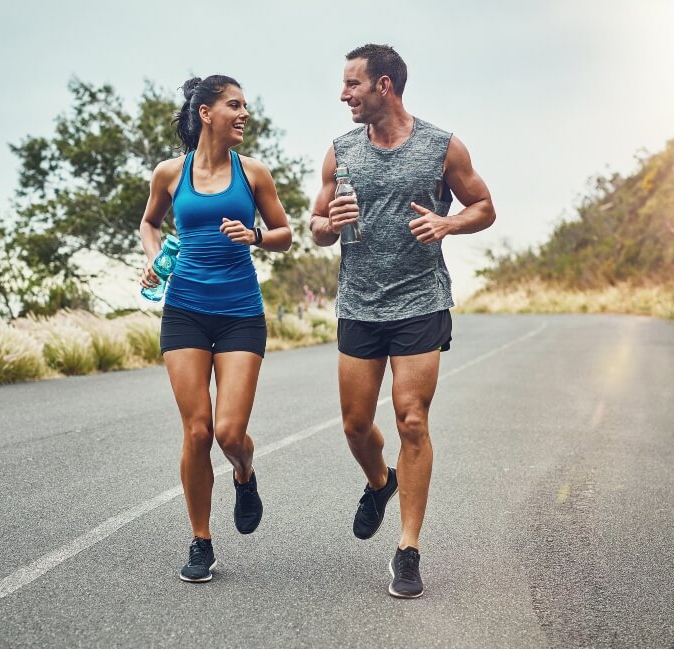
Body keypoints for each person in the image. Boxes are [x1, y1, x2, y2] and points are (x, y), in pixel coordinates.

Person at [309, 44, 496, 598]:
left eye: (353, 85)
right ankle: (379, 481)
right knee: (354, 424)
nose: (344, 95)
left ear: (384, 86)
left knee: (411, 419)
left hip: (420, 300)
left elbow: (483, 206)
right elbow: (316, 225)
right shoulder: (340, 152)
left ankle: (408, 549)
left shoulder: (441, 146)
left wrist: (447, 224)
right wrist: (327, 224)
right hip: (360, 303)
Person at [139, 74, 293, 583]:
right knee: (198, 430)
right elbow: (150, 223)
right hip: (183, 309)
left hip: (240, 313)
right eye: (235, 104)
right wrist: (155, 258)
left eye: (246, 105)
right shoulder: (169, 172)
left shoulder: (254, 174)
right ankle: (201, 541)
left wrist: (253, 234)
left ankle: (244, 473)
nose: (244, 113)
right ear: (206, 113)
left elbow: (285, 235)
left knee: (228, 431)